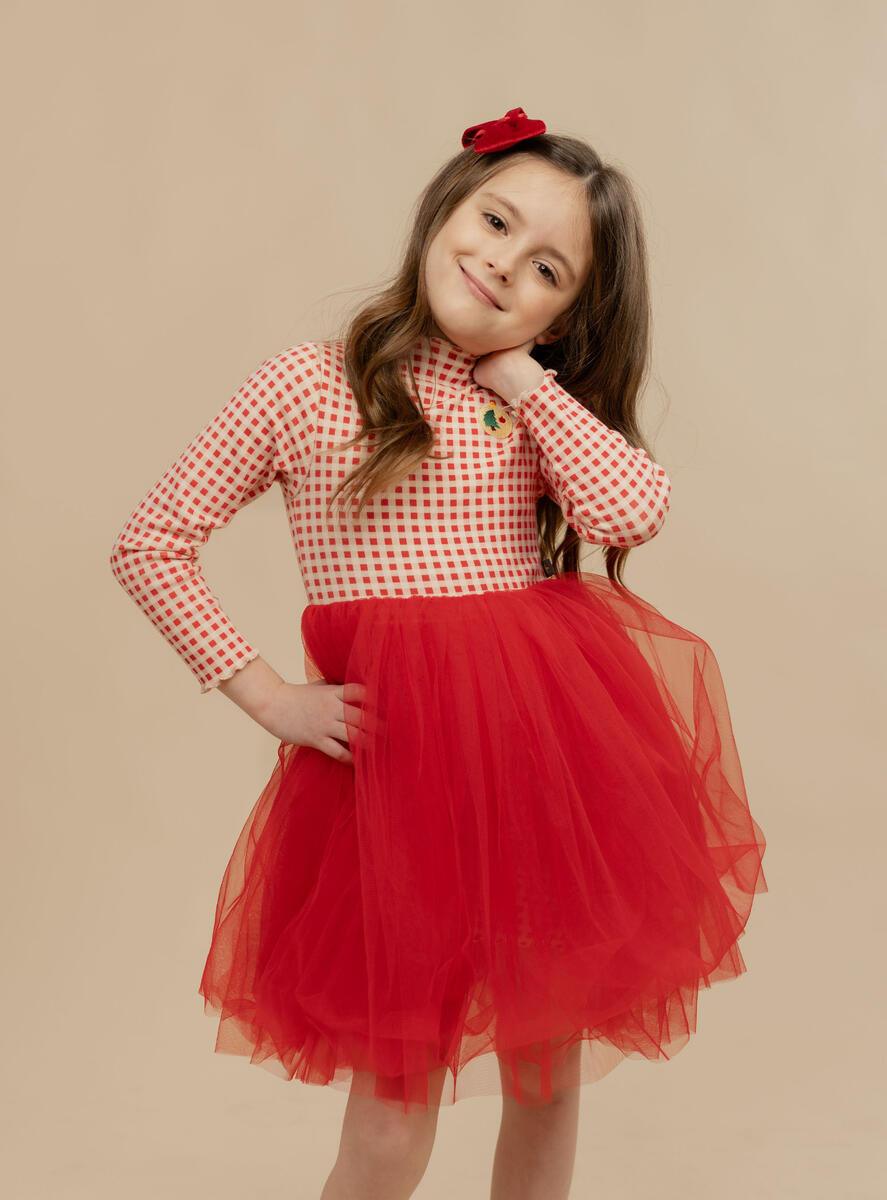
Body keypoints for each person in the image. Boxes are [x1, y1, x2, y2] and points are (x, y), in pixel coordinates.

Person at [109, 106, 768, 1200]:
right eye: (493, 221)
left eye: (545, 267)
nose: (502, 263)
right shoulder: (306, 384)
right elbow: (152, 542)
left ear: (565, 312)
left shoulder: (523, 405)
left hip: (540, 770)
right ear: (443, 209)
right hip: (396, 788)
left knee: (546, 1080)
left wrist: (521, 378)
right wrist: (267, 694)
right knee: (388, 1119)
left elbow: (630, 507)